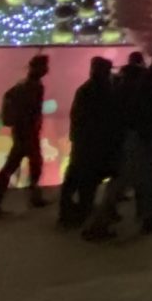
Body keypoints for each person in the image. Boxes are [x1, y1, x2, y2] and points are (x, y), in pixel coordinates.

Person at [84, 49, 152, 241]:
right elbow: (148, 109)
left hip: (142, 134)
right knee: (128, 179)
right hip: (144, 136)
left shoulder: (149, 79)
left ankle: (147, 218)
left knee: (142, 180)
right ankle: (100, 224)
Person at [0, 55, 50, 217]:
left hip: (24, 133)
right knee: (18, 167)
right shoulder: (31, 87)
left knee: (30, 165)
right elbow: (30, 112)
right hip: (26, 134)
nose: (46, 69)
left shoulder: (27, 85)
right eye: (44, 66)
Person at [57, 57, 120, 230]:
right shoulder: (99, 90)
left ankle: (70, 213)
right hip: (93, 143)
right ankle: (83, 214)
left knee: (76, 178)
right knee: (87, 181)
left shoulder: (87, 90)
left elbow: (78, 117)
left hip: (84, 142)